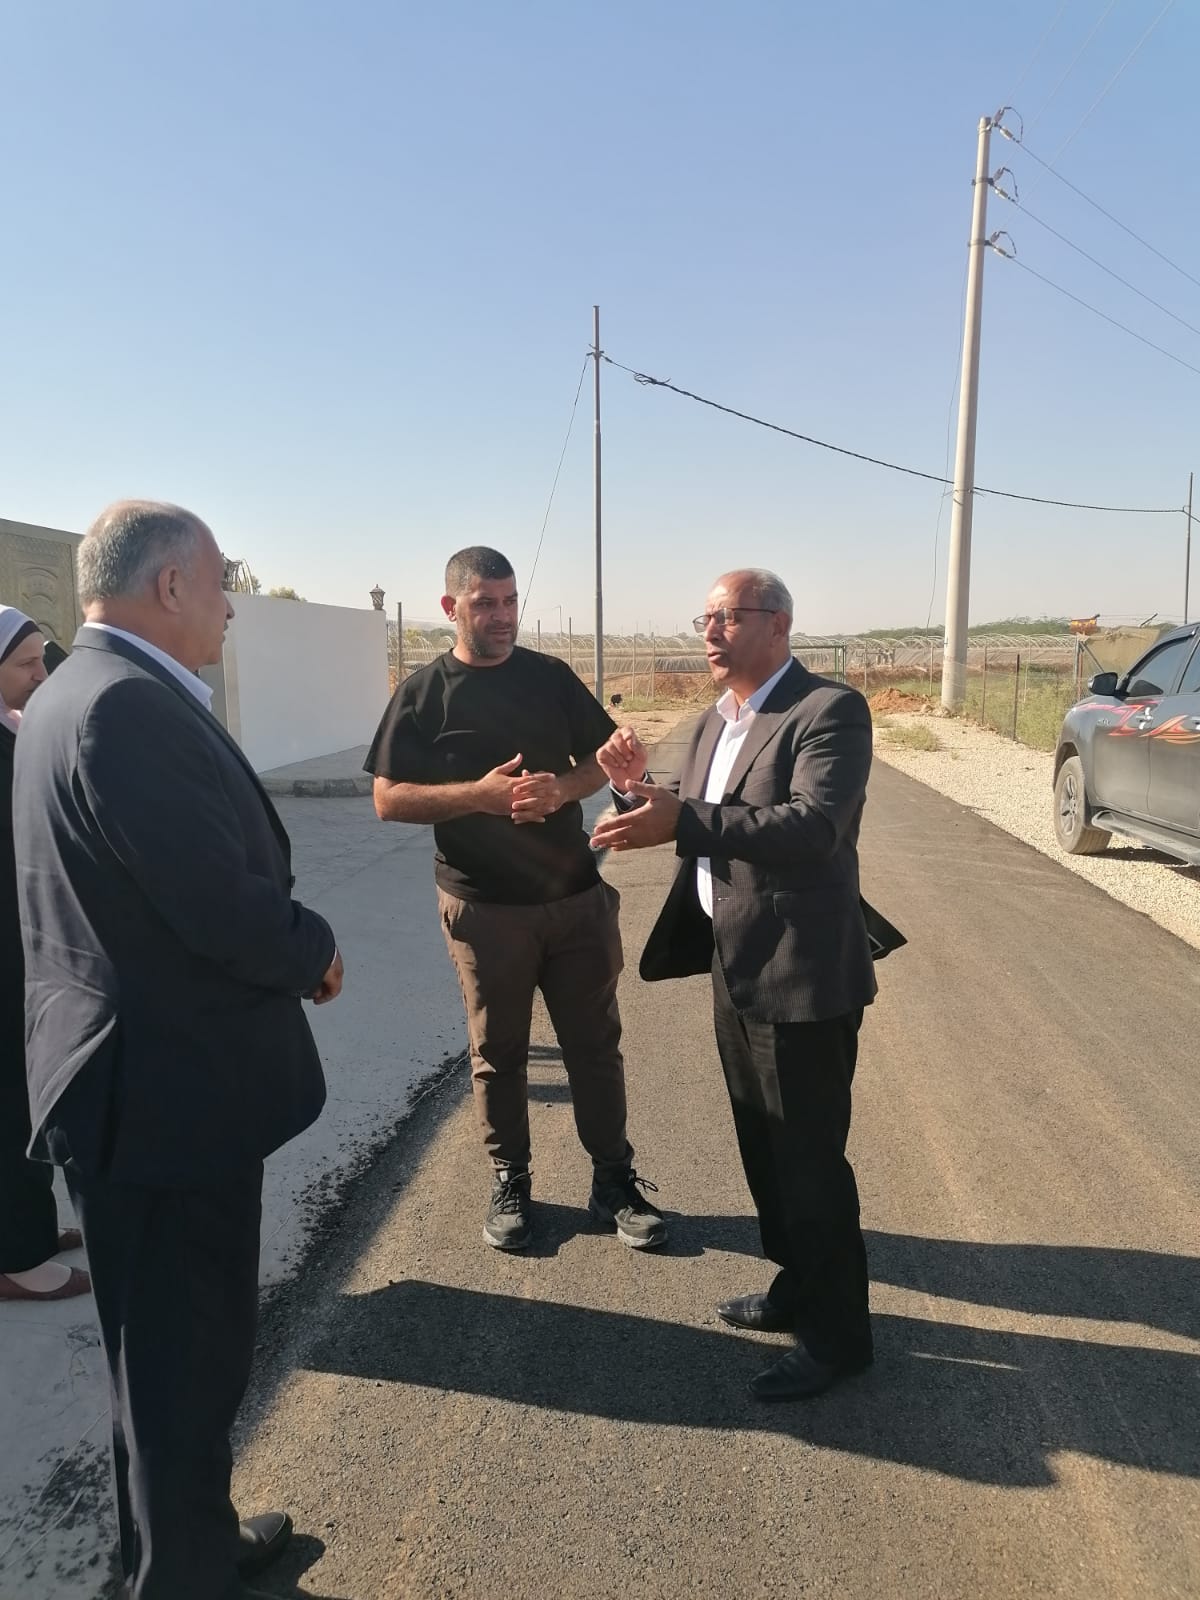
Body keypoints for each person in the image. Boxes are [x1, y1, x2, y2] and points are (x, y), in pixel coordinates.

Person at [12, 502, 345, 1600]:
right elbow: (215, 906)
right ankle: (184, 1577)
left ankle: (174, 1547)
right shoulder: (122, 708)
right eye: (219, 584)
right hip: (164, 1097)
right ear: (167, 587)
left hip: (131, 1085)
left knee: (155, 1367)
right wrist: (314, 950)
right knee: (184, 1368)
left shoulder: (70, 691)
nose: (231, 607)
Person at [592, 568, 899, 1401]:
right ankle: (797, 1287)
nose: (710, 631)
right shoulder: (711, 722)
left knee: (809, 1163)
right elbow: (696, 811)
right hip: (735, 965)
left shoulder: (828, 711)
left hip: (802, 975)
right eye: (705, 618)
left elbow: (813, 826)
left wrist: (681, 820)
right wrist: (632, 787)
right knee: (764, 1151)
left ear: (778, 624)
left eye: (727, 616)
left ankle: (839, 1340)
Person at [366, 546, 666, 1252]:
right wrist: (481, 795)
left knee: (595, 1046)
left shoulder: (550, 678)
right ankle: (511, 1180)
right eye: (485, 604)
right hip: (482, 909)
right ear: (451, 608)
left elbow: (603, 760)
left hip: (574, 898)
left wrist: (564, 789)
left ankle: (613, 1181)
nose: (502, 616)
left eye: (510, 601)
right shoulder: (423, 694)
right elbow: (387, 798)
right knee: (498, 1051)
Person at [0, 606, 90, 1302]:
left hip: (24, 947)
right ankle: (16, 1258)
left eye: (42, 659)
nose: (41, 673)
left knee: (28, 1096)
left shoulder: (15, 727)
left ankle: (30, 1225)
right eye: (26, 663)